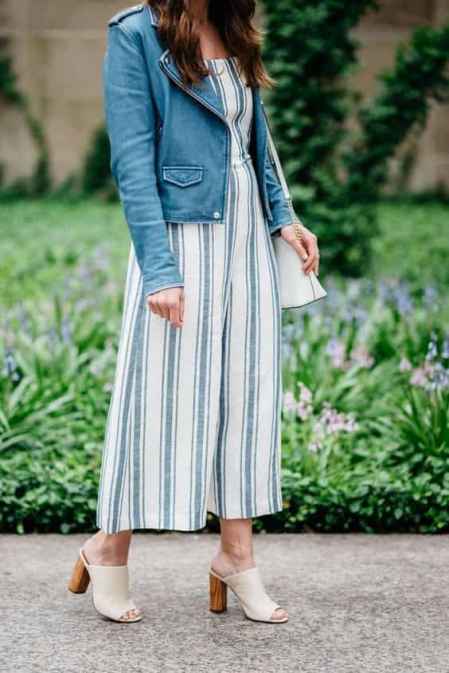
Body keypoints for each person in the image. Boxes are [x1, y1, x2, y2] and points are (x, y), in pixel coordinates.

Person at [68, 0, 320, 625]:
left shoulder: (234, 25)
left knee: (246, 396)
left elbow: (253, 139)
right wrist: (159, 270)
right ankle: (108, 549)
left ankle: (237, 556)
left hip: (247, 236)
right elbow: (132, 160)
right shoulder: (135, 33)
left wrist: (284, 217)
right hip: (180, 240)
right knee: (155, 398)